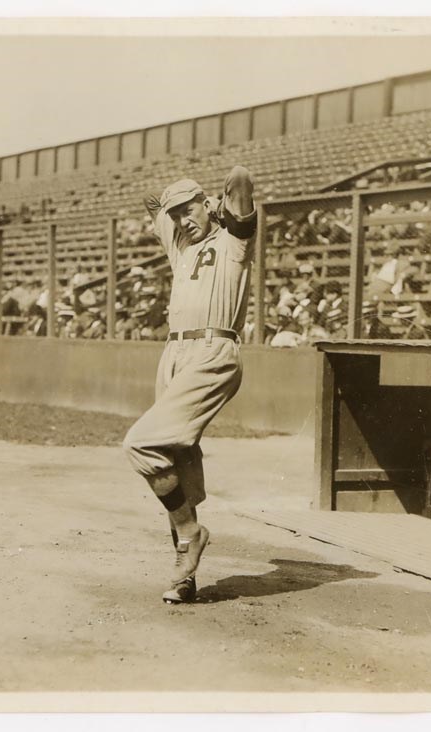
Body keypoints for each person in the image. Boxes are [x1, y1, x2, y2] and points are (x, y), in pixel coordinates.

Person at [122, 165, 256, 605]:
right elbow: (150, 201)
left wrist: (217, 204)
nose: (183, 220)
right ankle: (185, 574)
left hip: (213, 350)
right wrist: (172, 207)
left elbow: (239, 179)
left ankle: (189, 534)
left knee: (141, 444)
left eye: (189, 210)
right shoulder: (180, 244)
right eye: (176, 214)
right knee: (173, 461)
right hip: (174, 356)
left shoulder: (234, 241)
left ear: (207, 204)